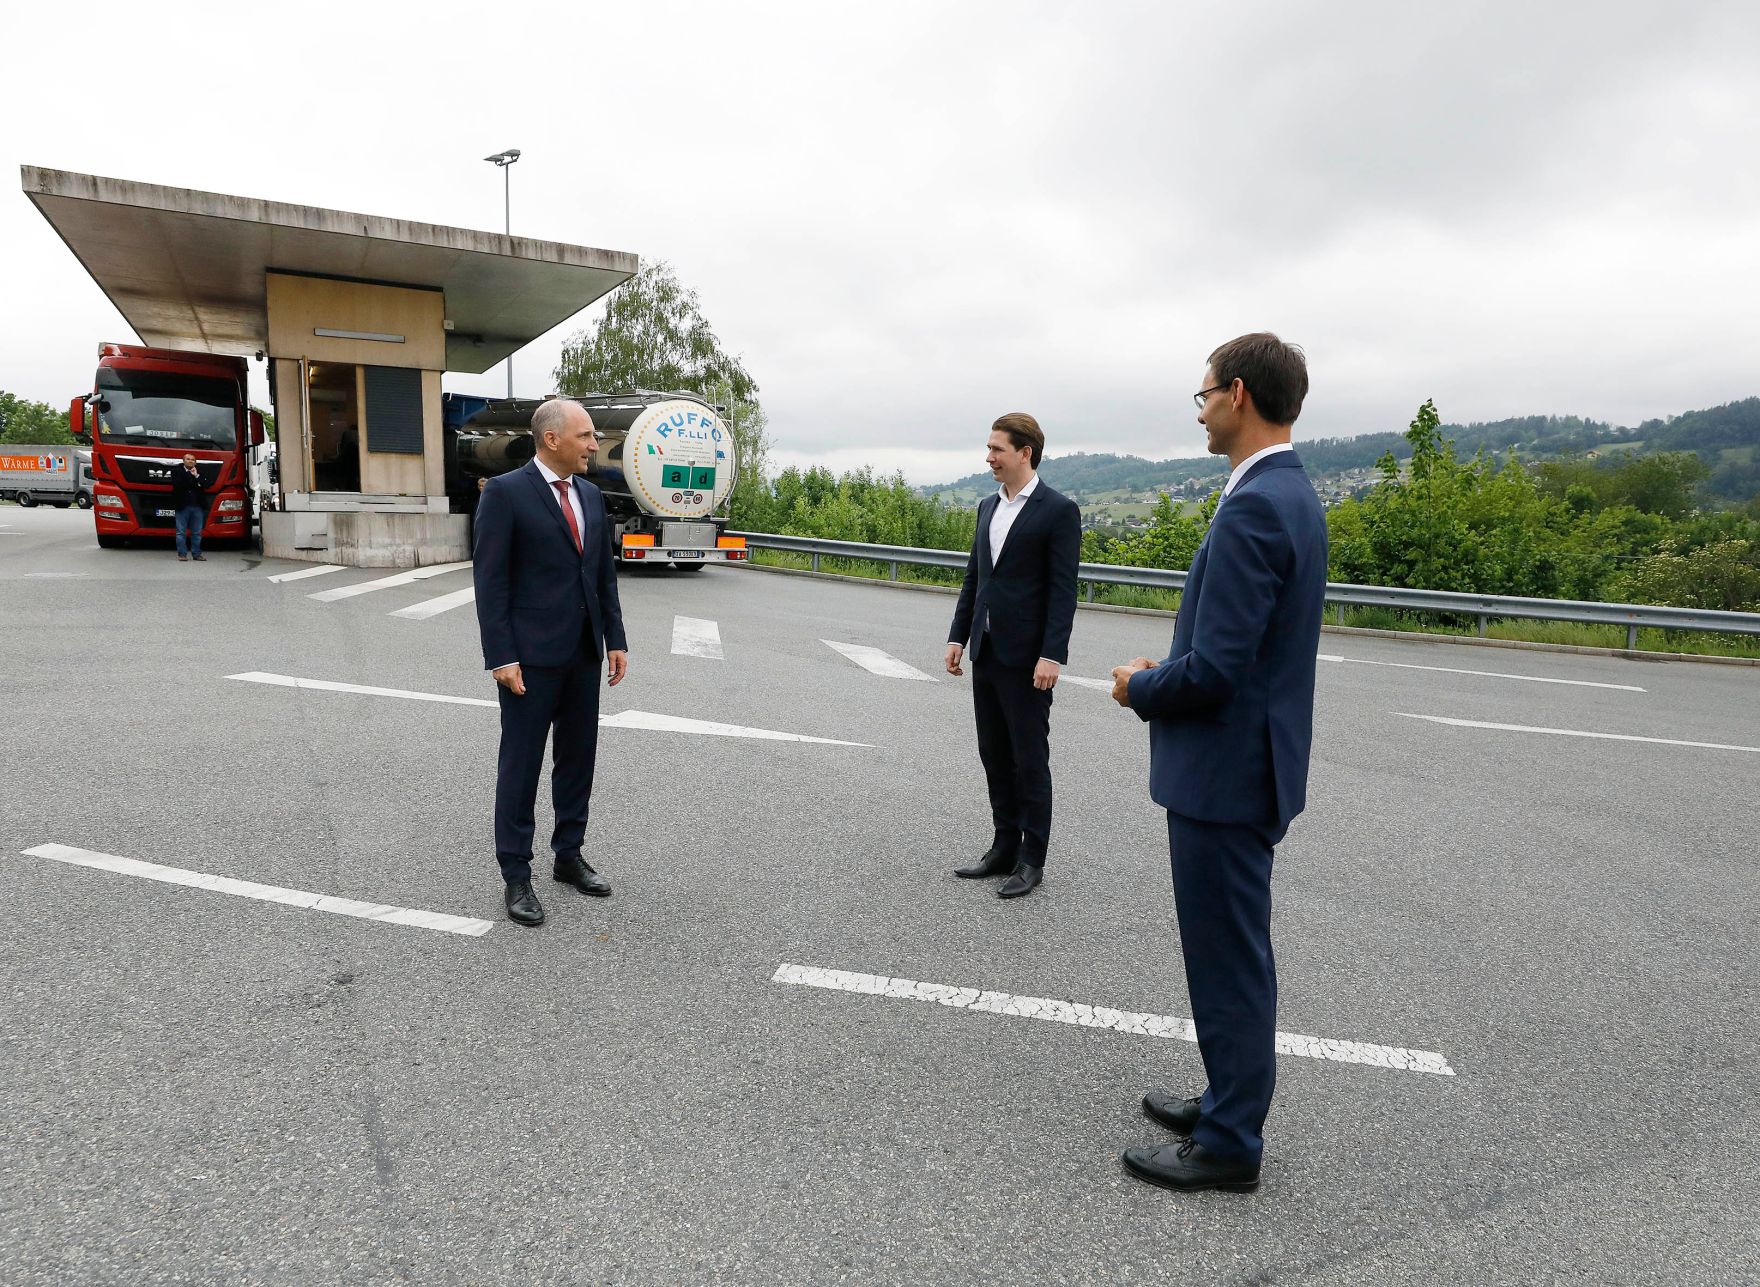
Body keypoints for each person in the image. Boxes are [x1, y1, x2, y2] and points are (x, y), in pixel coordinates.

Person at [1109, 333, 1326, 1193]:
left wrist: (1140, 686)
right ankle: (1224, 1096)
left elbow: (1218, 671)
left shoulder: (1256, 506)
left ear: (1237, 394)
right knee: (1227, 952)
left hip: (1227, 773)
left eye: (1202, 396)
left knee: (1228, 959)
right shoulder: (1288, 491)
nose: (1199, 412)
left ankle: (1232, 1139)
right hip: (1247, 765)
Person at [473, 398, 629, 927]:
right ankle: (517, 874)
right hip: (529, 659)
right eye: (585, 436)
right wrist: (501, 655)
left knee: (577, 759)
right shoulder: (505, 493)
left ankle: (569, 856)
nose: (594, 445)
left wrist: (614, 638)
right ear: (551, 439)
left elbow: (602, 574)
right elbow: (490, 581)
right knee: (521, 766)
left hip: (582, 653)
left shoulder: (590, 494)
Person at [945, 412, 1081, 899]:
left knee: (1029, 759)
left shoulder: (1058, 510)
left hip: (1028, 660)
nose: (989, 458)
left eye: (997, 449)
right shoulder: (987, 506)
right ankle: (1003, 847)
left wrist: (1052, 655)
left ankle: (1031, 858)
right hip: (986, 651)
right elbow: (975, 578)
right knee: (994, 755)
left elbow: (1063, 591)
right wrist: (958, 636)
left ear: (1025, 452)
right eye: (989, 448)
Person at [170, 453, 207, 561]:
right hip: (182, 506)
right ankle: (182, 554)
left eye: (193, 459)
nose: (190, 461)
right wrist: (194, 479)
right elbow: (179, 485)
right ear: (183, 461)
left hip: (197, 507)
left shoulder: (200, 472)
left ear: (195, 462)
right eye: (188, 459)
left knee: (197, 533)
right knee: (181, 532)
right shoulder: (176, 471)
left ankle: (197, 554)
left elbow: (206, 484)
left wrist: (196, 476)